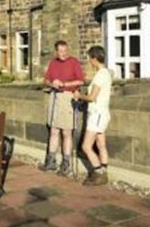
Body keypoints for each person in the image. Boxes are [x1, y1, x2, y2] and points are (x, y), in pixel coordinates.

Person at [41, 40, 85, 176]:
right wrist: (52, 83)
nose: (63, 54)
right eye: (60, 51)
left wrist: (64, 84)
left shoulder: (74, 62)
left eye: (65, 51)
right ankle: (51, 160)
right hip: (54, 96)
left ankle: (66, 163)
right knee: (54, 130)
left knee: (66, 132)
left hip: (67, 97)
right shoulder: (53, 62)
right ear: (56, 51)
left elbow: (81, 81)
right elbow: (46, 80)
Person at [79, 46, 112, 186]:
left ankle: (98, 172)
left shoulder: (100, 75)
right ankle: (103, 171)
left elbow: (92, 97)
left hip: (97, 114)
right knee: (101, 144)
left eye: (89, 58)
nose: (89, 61)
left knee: (86, 146)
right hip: (103, 113)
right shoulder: (106, 72)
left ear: (94, 58)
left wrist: (79, 96)